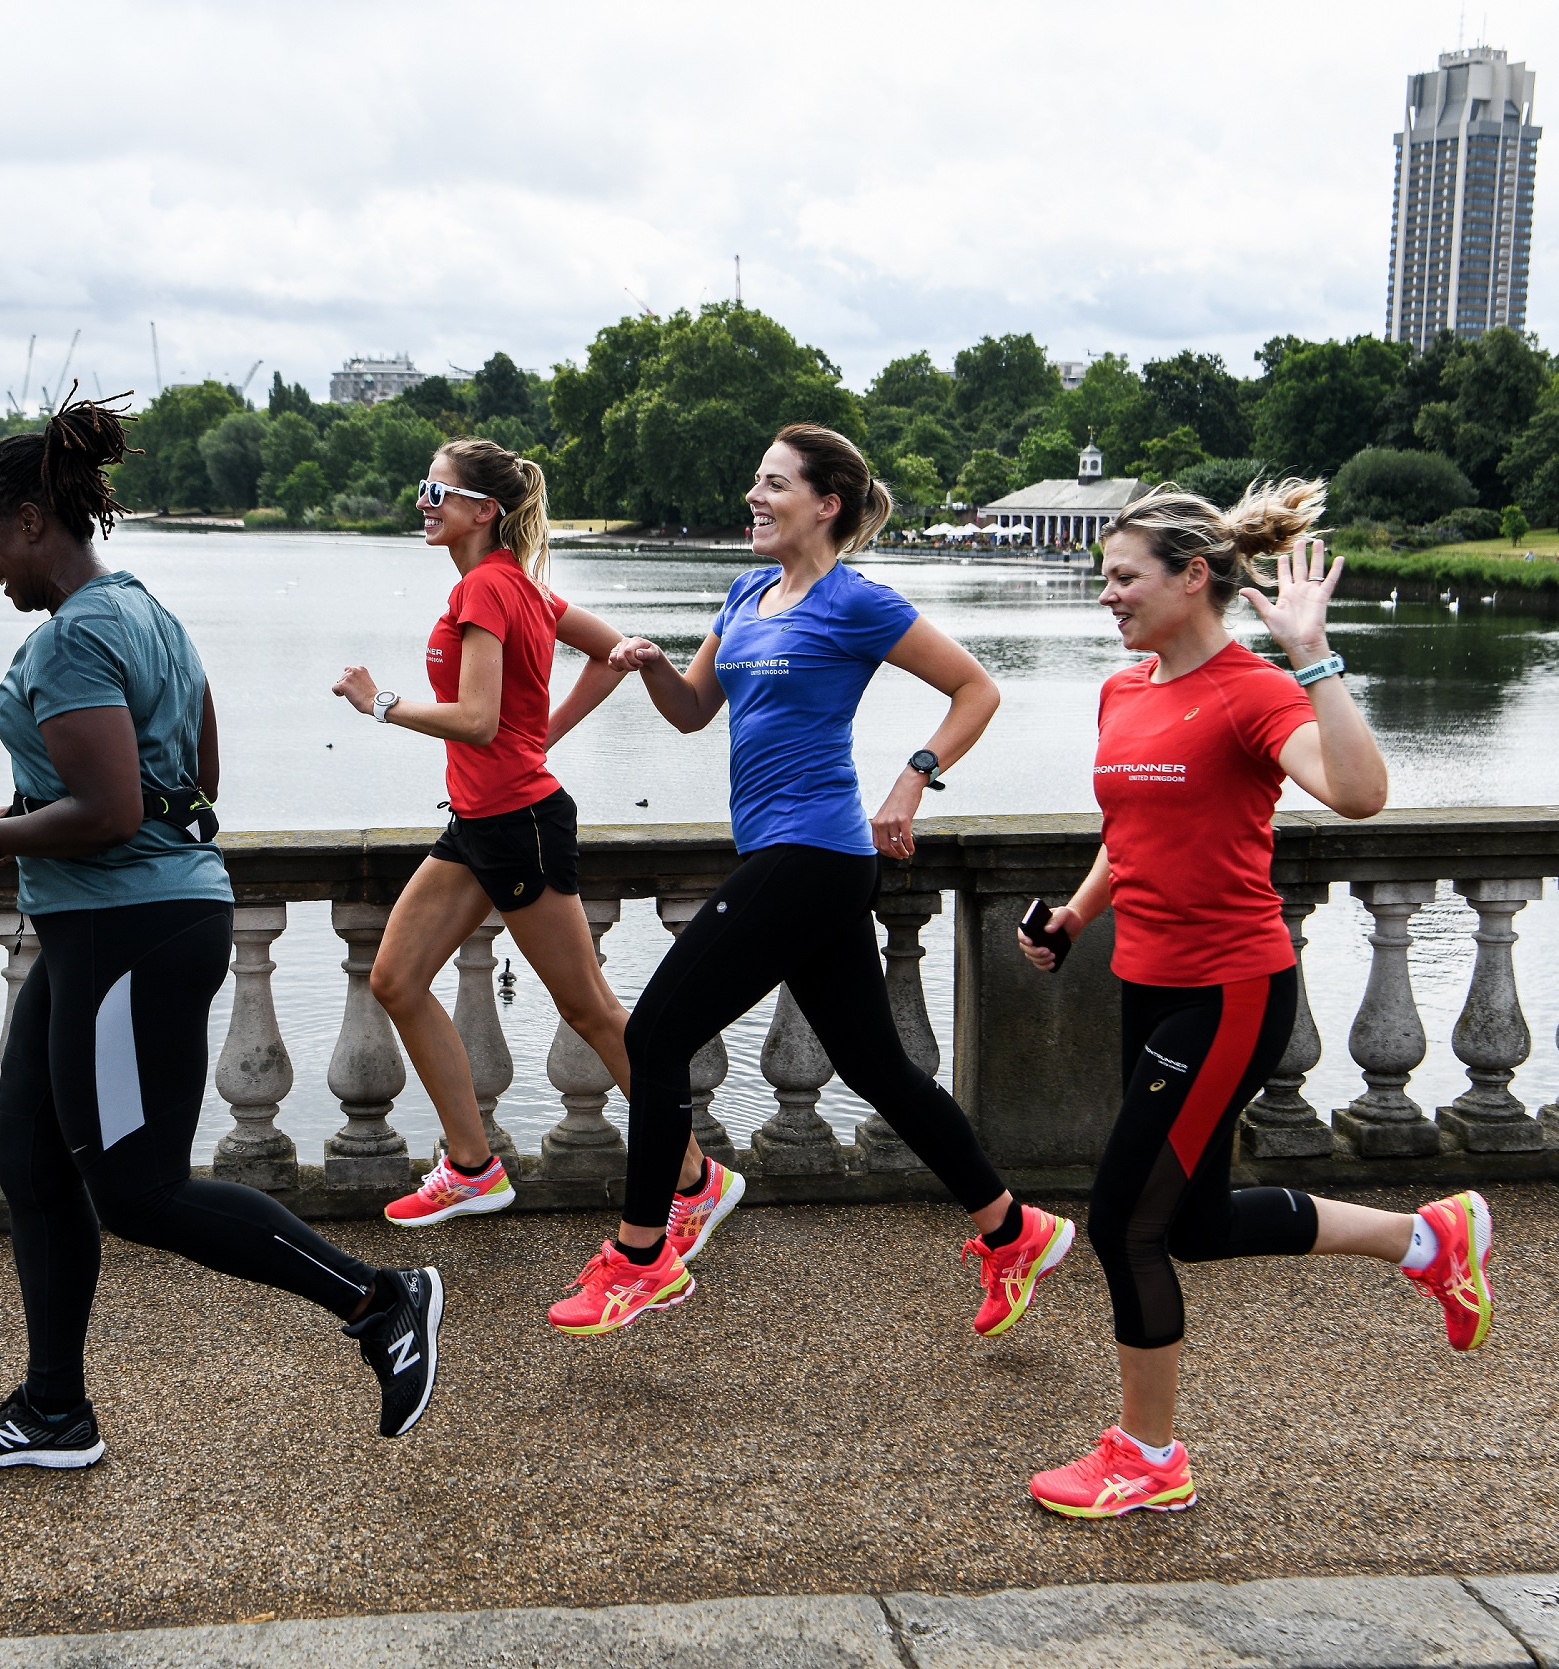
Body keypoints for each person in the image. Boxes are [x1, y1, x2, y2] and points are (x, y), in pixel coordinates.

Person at [0, 396, 444, 1469]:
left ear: (30, 521)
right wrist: (27, 821)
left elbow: (111, 812)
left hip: (124, 929)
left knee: (140, 1190)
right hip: (119, 924)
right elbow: (191, 781)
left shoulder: (71, 640)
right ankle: (53, 1410)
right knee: (30, 1155)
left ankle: (379, 1301)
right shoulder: (152, 611)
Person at [1016, 481, 1493, 1519]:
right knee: (1186, 1221)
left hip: (1230, 991)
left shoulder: (1253, 690)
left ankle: (1150, 1456)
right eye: (1106, 579)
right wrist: (1078, 918)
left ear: (1193, 578)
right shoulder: (1123, 691)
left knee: (1121, 1222)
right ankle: (1429, 1241)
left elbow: (1361, 792)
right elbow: (1131, 832)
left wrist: (1313, 657)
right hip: (1147, 980)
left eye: (1125, 578)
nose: (1110, 596)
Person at [560, 422, 1074, 1336]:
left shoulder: (857, 602)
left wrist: (912, 777)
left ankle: (642, 1256)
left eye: (773, 485)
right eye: (756, 482)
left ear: (824, 504)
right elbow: (690, 713)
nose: (754, 498)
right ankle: (1013, 1228)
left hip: (817, 852)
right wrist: (645, 672)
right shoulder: (748, 590)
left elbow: (977, 690)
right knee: (876, 1065)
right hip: (777, 854)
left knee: (656, 1032)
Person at [331, 438, 733, 1245]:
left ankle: (693, 1176)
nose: (423, 502)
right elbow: (610, 657)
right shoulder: (518, 587)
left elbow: (478, 720)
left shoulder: (487, 590)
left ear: (484, 511)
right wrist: (534, 737)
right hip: (482, 820)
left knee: (588, 1008)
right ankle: (473, 1166)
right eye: (424, 488)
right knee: (396, 977)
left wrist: (381, 704)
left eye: (436, 492)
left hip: (517, 826)